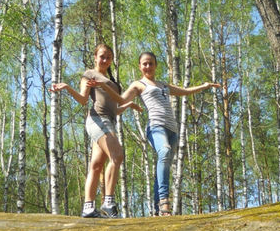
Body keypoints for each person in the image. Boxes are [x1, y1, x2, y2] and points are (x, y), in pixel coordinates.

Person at [119, 51, 221, 216]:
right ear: (139, 66)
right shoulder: (138, 85)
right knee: (164, 151)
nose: (148, 66)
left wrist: (205, 86)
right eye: (144, 63)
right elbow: (121, 100)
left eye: (151, 63)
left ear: (156, 65)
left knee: (164, 163)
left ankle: (156, 209)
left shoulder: (164, 85)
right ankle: (165, 201)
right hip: (155, 127)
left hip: (172, 130)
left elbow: (185, 91)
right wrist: (105, 90)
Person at [50, 44, 141, 218]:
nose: (105, 60)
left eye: (108, 57)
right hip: (97, 120)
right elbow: (83, 100)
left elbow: (114, 109)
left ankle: (88, 208)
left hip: (109, 122)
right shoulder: (90, 75)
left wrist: (128, 105)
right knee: (118, 156)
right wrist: (68, 88)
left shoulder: (113, 83)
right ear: (95, 57)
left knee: (97, 165)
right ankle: (108, 203)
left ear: (112, 60)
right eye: (102, 56)